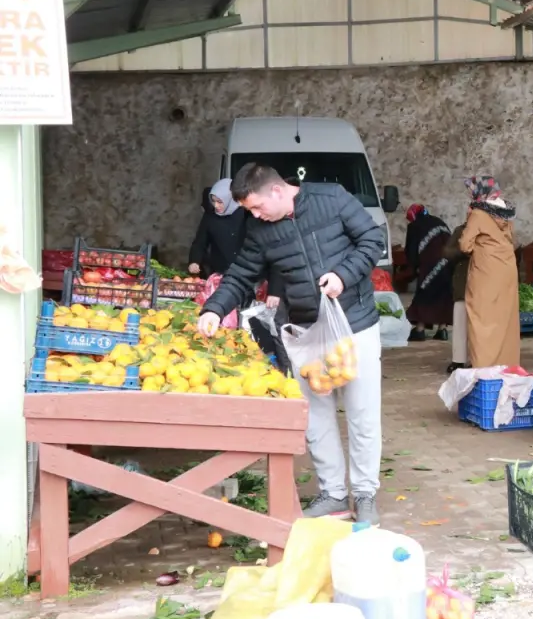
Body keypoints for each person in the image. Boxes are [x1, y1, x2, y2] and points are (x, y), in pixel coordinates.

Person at [197, 163, 385, 525]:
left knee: (362, 414)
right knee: (315, 417)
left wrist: (343, 277)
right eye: (249, 211)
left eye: (256, 207)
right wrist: (215, 309)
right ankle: (334, 494)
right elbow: (241, 274)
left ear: (278, 192)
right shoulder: (260, 228)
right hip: (304, 331)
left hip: (354, 325)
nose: (254, 215)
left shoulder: (332, 199)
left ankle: (365, 494)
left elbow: (372, 240)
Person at [458, 175, 520, 368]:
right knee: (505, 319)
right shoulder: (506, 213)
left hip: (486, 272)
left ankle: (484, 367)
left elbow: (465, 246)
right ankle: (507, 365)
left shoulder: (478, 213)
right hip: (507, 270)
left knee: (481, 319)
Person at [402, 204, 453, 342]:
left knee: (425, 293)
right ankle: (442, 330)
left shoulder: (415, 226)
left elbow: (411, 250)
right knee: (444, 294)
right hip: (449, 262)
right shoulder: (439, 222)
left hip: (430, 263)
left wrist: (412, 269)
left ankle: (420, 329)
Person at [188, 179, 247, 278]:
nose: (216, 205)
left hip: (244, 271)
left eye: (220, 202)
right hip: (219, 272)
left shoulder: (246, 214)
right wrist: (194, 261)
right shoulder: (210, 216)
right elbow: (200, 243)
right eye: (213, 201)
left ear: (230, 199)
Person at [442, 224, 470, 374]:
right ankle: (458, 360)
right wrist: (463, 251)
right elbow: (447, 251)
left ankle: (477, 360)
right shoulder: (461, 230)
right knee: (460, 322)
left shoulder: (492, 229)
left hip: (484, 285)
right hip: (462, 281)